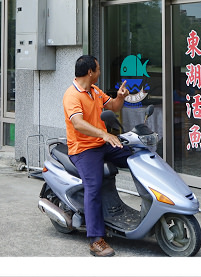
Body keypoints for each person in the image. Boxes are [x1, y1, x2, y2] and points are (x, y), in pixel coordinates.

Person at [62, 54, 130, 257]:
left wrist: (121, 96)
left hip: (102, 144)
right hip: (83, 149)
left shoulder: (95, 91)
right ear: (90, 72)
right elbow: (78, 123)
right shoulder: (72, 95)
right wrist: (104, 134)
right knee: (94, 186)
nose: (100, 72)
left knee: (135, 156)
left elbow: (114, 107)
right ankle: (95, 239)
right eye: (98, 69)